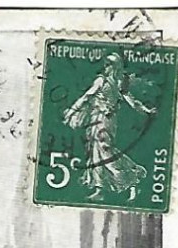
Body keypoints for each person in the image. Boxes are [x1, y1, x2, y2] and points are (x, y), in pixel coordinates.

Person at [62, 51, 157, 202]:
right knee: (95, 152)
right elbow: (87, 97)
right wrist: (72, 110)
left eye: (108, 65)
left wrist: (146, 110)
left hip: (107, 121)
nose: (105, 67)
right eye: (105, 64)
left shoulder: (118, 83)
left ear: (115, 67)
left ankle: (131, 177)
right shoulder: (101, 80)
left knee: (105, 151)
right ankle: (99, 189)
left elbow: (132, 101)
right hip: (96, 118)